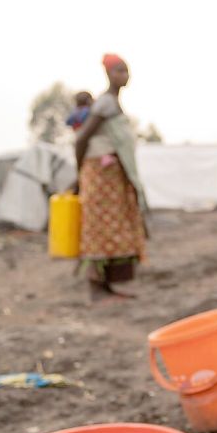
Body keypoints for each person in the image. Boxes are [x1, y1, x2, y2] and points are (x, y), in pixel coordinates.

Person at [74, 53, 148, 302]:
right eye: (119, 70)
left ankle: (107, 286)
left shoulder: (112, 104)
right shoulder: (104, 104)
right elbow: (81, 139)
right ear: (108, 74)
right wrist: (80, 173)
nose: (124, 75)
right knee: (99, 229)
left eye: (126, 70)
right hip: (100, 175)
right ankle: (96, 287)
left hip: (113, 177)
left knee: (114, 228)